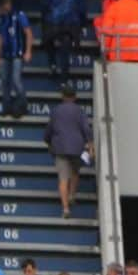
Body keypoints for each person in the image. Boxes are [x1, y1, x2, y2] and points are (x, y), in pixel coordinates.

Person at [44, 84, 92, 219]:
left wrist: (47, 141)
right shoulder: (79, 111)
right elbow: (86, 129)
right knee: (75, 172)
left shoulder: (56, 111)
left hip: (60, 148)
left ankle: (65, 209)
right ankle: (72, 195)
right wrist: (90, 143)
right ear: (75, 97)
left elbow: (49, 130)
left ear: (62, 97)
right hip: (77, 147)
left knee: (63, 179)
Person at [0, 0, 33, 119]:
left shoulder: (19, 15)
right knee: (4, 82)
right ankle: (7, 107)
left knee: (16, 80)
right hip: (5, 54)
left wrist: (28, 51)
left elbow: (28, 33)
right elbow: (0, 37)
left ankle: (23, 105)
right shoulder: (0, 18)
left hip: (17, 53)